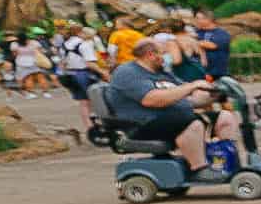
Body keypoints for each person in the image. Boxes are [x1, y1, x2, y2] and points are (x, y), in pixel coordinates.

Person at [104, 37, 223, 179]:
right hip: (141, 125)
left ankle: (226, 162)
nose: (168, 57)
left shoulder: (162, 72)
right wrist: (193, 85)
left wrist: (215, 93)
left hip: (170, 119)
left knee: (223, 117)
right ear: (150, 55)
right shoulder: (128, 72)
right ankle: (199, 169)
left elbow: (190, 96)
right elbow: (152, 100)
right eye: (164, 53)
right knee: (191, 121)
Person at [53, 22, 103, 131]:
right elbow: (90, 63)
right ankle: (99, 122)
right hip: (85, 74)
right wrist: (104, 73)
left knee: (83, 102)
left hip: (71, 75)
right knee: (97, 98)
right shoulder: (84, 44)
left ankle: (89, 128)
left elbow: (62, 63)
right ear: (81, 32)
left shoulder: (64, 45)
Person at [194, 10, 232, 78]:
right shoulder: (196, 32)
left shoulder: (221, 33)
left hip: (217, 73)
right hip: (199, 72)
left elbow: (213, 45)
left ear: (209, 19)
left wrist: (193, 42)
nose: (196, 20)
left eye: (198, 18)